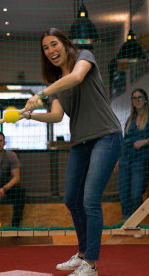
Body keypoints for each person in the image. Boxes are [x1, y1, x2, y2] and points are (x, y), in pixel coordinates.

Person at [23, 27, 122, 276]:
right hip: (81, 142)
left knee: (90, 199)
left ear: (65, 44)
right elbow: (57, 116)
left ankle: (92, 263)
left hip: (106, 136)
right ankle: (81, 255)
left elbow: (77, 78)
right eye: (45, 48)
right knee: (71, 199)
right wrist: (30, 115)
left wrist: (40, 94)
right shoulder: (56, 83)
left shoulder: (84, 58)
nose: (50, 51)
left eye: (54, 44)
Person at [117, 89, 149, 227]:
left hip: (140, 160)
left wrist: (145, 141)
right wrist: (118, 160)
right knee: (124, 194)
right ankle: (126, 224)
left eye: (140, 97)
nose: (137, 100)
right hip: (125, 159)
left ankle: (136, 223)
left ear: (145, 99)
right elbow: (124, 140)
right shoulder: (130, 120)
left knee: (136, 194)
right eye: (134, 98)